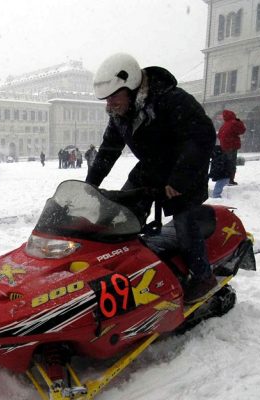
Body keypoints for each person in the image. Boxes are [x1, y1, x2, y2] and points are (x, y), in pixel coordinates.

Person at [85, 53, 217, 303]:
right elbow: (108, 149)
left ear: (132, 86)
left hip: (184, 170)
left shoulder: (171, 100)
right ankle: (129, 270)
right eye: (106, 98)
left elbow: (201, 136)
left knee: (184, 222)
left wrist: (179, 179)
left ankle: (203, 276)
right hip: (151, 168)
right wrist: (90, 184)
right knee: (120, 215)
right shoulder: (120, 113)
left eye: (114, 96)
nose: (109, 104)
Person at [217, 110, 246, 186]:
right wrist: (239, 121)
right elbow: (242, 130)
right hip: (232, 146)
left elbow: (219, 135)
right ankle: (230, 180)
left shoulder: (224, 125)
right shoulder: (234, 122)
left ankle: (225, 179)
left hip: (224, 146)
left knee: (226, 163)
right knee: (231, 163)